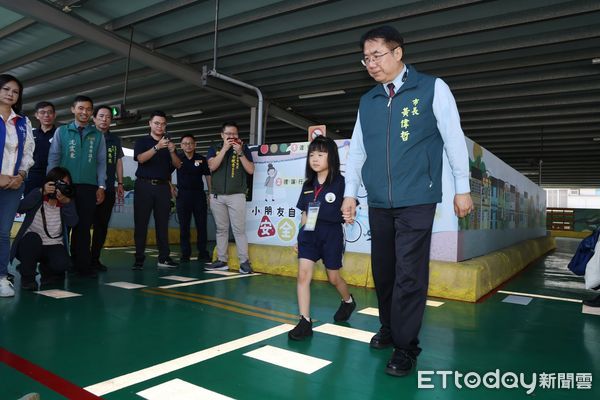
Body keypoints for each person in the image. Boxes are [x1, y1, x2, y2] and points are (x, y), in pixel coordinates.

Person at [341, 26, 473, 377]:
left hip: (417, 197)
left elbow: (453, 137)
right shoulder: (367, 101)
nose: (371, 64)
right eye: (366, 58)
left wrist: (462, 187)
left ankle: (406, 345)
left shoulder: (432, 87)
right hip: (380, 201)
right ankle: (388, 326)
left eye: (377, 56)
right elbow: (357, 151)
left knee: (410, 273)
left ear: (398, 53)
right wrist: (350, 193)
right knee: (384, 271)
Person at [288, 136, 356, 341]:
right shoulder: (308, 184)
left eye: (320, 154)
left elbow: (350, 207)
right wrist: (299, 238)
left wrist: (349, 215)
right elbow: (305, 214)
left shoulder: (342, 182)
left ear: (332, 157)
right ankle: (305, 321)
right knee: (303, 276)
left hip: (331, 234)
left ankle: (348, 301)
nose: (315, 159)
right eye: (311, 155)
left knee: (333, 278)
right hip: (309, 234)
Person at [47, 95, 106, 279]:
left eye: (88, 109)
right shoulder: (62, 132)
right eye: (81, 108)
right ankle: (58, 265)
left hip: (89, 187)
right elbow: (53, 157)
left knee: (83, 228)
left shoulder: (97, 135)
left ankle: (82, 266)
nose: (84, 112)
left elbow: (101, 162)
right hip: (64, 186)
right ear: (73, 109)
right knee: (61, 227)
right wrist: (51, 183)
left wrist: (101, 186)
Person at [10, 167, 78, 291]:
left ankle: (47, 271)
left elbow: (73, 222)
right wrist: (41, 192)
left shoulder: (67, 201)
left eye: (66, 184)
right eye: (60, 183)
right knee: (32, 239)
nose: (63, 187)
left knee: (63, 264)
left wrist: (67, 203)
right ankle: (28, 277)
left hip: (53, 244)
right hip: (30, 244)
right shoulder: (39, 194)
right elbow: (20, 208)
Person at [0, 74, 35, 298]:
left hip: (14, 185)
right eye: (5, 89)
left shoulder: (23, 121)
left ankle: (2, 277)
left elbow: (29, 151)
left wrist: (21, 176)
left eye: (15, 91)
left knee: (3, 232)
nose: (10, 94)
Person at [132, 110, 181, 270]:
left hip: (162, 187)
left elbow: (177, 165)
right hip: (143, 186)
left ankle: (164, 258)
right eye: (157, 123)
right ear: (150, 124)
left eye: (163, 124)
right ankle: (139, 259)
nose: (160, 126)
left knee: (162, 224)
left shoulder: (169, 145)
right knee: (141, 223)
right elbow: (140, 159)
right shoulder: (142, 141)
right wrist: (156, 147)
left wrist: (172, 151)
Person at [205, 122, 254, 274]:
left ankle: (244, 262)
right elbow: (212, 166)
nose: (232, 137)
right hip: (217, 196)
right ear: (222, 135)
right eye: (228, 134)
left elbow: (251, 170)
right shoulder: (214, 148)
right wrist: (225, 149)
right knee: (221, 229)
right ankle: (222, 260)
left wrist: (239, 152)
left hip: (237, 195)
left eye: (235, 134)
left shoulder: (243, 148)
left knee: (239, 230)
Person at [90, 105, 124, 271]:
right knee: (81, 225)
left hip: (108, 188)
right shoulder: (87, 135)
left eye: (108, 117)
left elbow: (118, 161)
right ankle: (78, 259)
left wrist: (120, 183)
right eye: (101, 116)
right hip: (87, 187)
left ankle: (94, 259)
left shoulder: (115, 140)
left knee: (101, 225)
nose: (104, 120)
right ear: (94, 118)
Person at [174, 134, 211, 262]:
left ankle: (203, 252)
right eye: (185, 143)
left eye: (190, 143)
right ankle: (185, 253)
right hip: (182, 196)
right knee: (184, 226)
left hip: (199, 195)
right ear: (181, 146)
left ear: (195, 145)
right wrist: (171, 187)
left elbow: (207, 176)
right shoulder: (177, 158)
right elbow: (166, 172)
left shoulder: (201, 159)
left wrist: (210, 193)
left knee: (202, 225)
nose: (188, 145)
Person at [24, 101, 57, 195]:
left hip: (52, 177)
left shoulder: (60, 134)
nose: (46, 115)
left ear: (54, 115)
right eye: (42, 112)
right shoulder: (30, 134)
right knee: (29, 206)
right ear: (37, 115)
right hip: (31, 177)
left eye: (50, 112)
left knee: (51, 208)